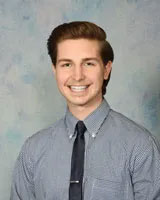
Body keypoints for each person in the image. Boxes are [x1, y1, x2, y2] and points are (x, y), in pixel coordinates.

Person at [10, 21, 160, 200]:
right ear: (55, 70)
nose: (78, 75)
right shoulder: (32, 151)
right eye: (66, 64)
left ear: (106, 70)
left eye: (88, 63)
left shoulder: (141, 147)